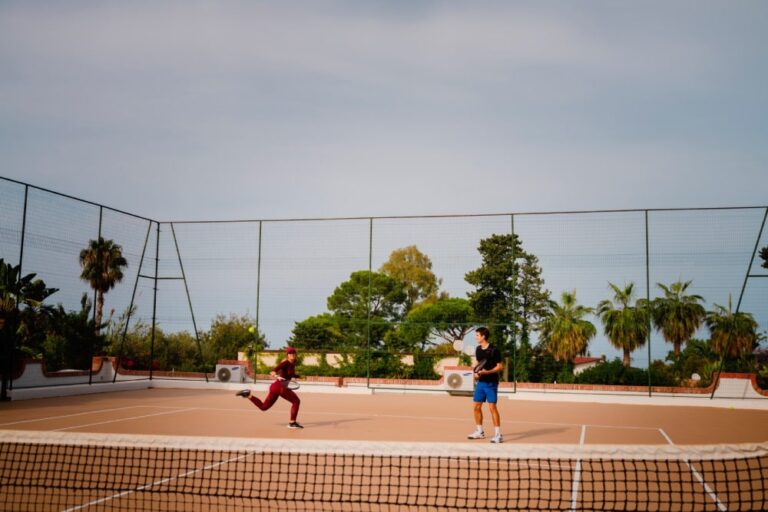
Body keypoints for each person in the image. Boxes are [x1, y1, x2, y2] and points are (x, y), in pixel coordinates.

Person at [237, 346, 303, 429]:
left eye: (293, 353)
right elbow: (273, 371)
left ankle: (248, 395)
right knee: (296, 401)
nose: (292, 354)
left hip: (275, 388)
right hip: (280, 387)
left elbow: (290, 374)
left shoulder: (292, 363)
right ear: (287, 355)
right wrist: (277, 376)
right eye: (290, 353)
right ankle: (292, 423)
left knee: (263, 407)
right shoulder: (285, 363)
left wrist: (298, 376)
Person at [467, 327, 503, 443]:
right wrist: (476, 373)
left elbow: (500, 366)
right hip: (481, 383)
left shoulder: (494, 350)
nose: (475, 337)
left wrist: (487, 372)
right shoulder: (478, 349)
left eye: (477, 335)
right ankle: (479, 432)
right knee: (476, 407)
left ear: (483, 336)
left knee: (492, 408)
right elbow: (479, 363)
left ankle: (498, 435)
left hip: (491, 382)